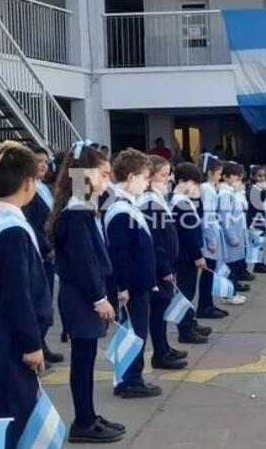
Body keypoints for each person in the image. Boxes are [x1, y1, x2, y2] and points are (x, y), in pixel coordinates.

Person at [47, 142, 124, 443]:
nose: (107, 181)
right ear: (85, 174)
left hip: (82, 295)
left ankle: (88, 415)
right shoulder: (77, 211)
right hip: (81, 297)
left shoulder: (82, 205)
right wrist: (99, 298)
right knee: (82, 360)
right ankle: (83, 421)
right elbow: (84, 261)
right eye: (103, 174)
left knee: (87, 358)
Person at [0, 142, 53, 448]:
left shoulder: (1, 220)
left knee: (11, 414)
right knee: (16, 419)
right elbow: (18, 294)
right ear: (28, 183)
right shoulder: (12, 229)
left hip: (7, 334)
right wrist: (31, 344)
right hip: (13, 338)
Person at [104, 149, 163, 399]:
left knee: (136, 331)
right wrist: (122, 287)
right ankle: (130, 379)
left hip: (139, 284)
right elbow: (119, 253)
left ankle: (130, 376)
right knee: (134, 333)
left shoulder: (127, 205)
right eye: (144, 177)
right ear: (130, 177)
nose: (147, 183)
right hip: (133, 287)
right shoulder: (120, 209)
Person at [137, 155, 188, 370]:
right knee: (158, 309)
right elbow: (156, 238)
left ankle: (164, 346)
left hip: (164, 264)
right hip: (159, 267)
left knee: (163, 307)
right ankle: (159, 352)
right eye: (163, 175)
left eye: (169, 175)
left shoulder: (158, 198)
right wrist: (165, 267)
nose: (168, 180)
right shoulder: (150, 202)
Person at [22, 145, 63, 366]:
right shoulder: (27, 190)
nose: (43, 166)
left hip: (48, 251)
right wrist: (48, 244)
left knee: (46, 303)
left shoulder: (43, 187)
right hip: (40, 250)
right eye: (38, 161)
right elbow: (32, 222)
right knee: (38, 302)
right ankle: (35, 344)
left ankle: (42, 343)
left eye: (45, 162)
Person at [170, 162, 214, 344]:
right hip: (185, 254)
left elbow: (199, 218)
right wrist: (198, 256)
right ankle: (185, 330)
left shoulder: (186, 201)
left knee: (189, 291)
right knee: (185, 293)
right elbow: (188, 232)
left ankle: (190, 322)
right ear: (182, 181)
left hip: (188, 253)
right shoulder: (180, 203)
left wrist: (198, 199)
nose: (196, 187)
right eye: (193, 183)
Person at [196, 155, 232, 317]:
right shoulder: (208, 189)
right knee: (209, 272)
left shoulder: (207, 188)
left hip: (210, 231)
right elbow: (208, 215)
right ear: (210, 173)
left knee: (210, 272)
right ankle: (205, 306)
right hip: (209, 233)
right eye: (218, 174)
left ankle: (208, 303)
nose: (219, 177)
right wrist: (211, 239)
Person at [217, 162, 251, 295]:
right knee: (230, 265)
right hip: (231, 235)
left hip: (237, 232)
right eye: (234, 177)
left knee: (235, 263)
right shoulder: (225, 194)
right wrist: (232, 236)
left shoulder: (231, 192)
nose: (237, 180)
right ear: (225, 177)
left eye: (238, 177)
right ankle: (230, 293)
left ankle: (234, 288)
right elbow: (225, 217)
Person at [247, 165, 266, 274]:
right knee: (257, 242)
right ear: (254, 177)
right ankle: (258, 264)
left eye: (264, 176)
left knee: (261, 241)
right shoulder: (253, 188)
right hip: (255, 219)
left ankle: (260, 263)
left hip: (261, 217)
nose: (262, 178)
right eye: (259, 176)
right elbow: (257, 203)